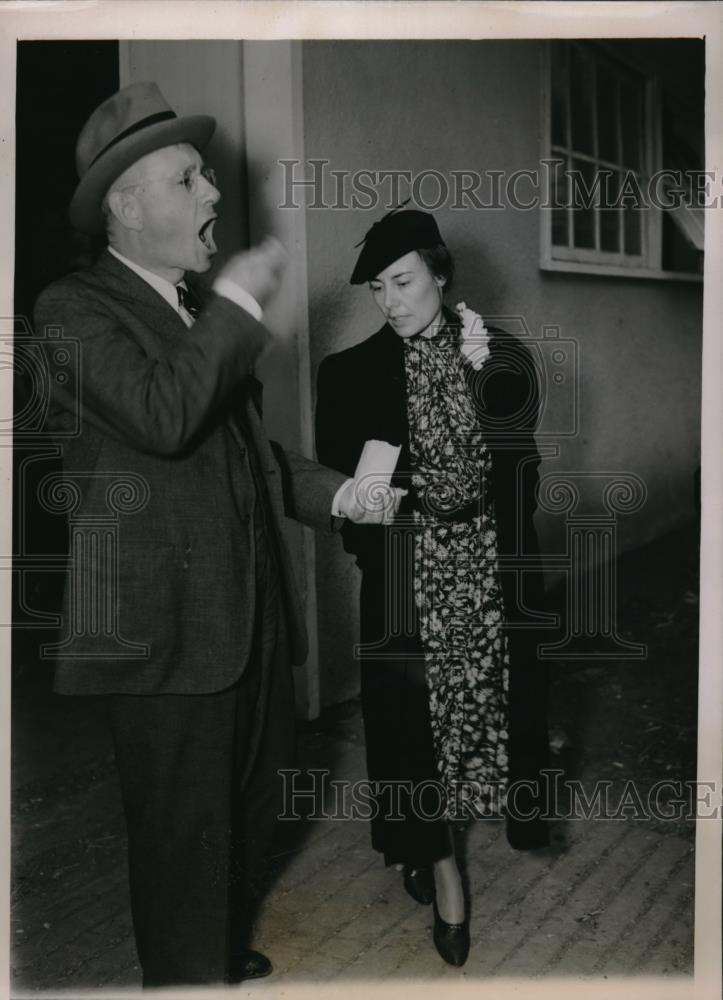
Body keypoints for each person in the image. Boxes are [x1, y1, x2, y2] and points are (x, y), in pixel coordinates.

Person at [32, 81, 401, 989]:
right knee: (181, 836)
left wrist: (341, 496)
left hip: (242, 621)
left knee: (237, 816)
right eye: (188, 180)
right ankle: (187, 971)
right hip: (161, 636)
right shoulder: (70, 310)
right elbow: (164, 417)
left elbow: (246, 458)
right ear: (123, 206)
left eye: (205, 177)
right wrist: (237, 304)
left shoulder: (192, 315)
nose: (212, 197)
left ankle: (212, 945)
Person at [315, 208, 550, 967]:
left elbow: (522, 470)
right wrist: (378, 512)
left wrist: (485, 381)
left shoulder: (500, 356)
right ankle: (442, 871)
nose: (389, 300)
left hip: (486, 576)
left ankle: (450, 836)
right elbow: (338, 491)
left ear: (440, 275)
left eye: (404, 281)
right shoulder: (347, 373)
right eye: (378, 287)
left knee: (480, 718)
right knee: (411, 733)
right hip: (406, 581)